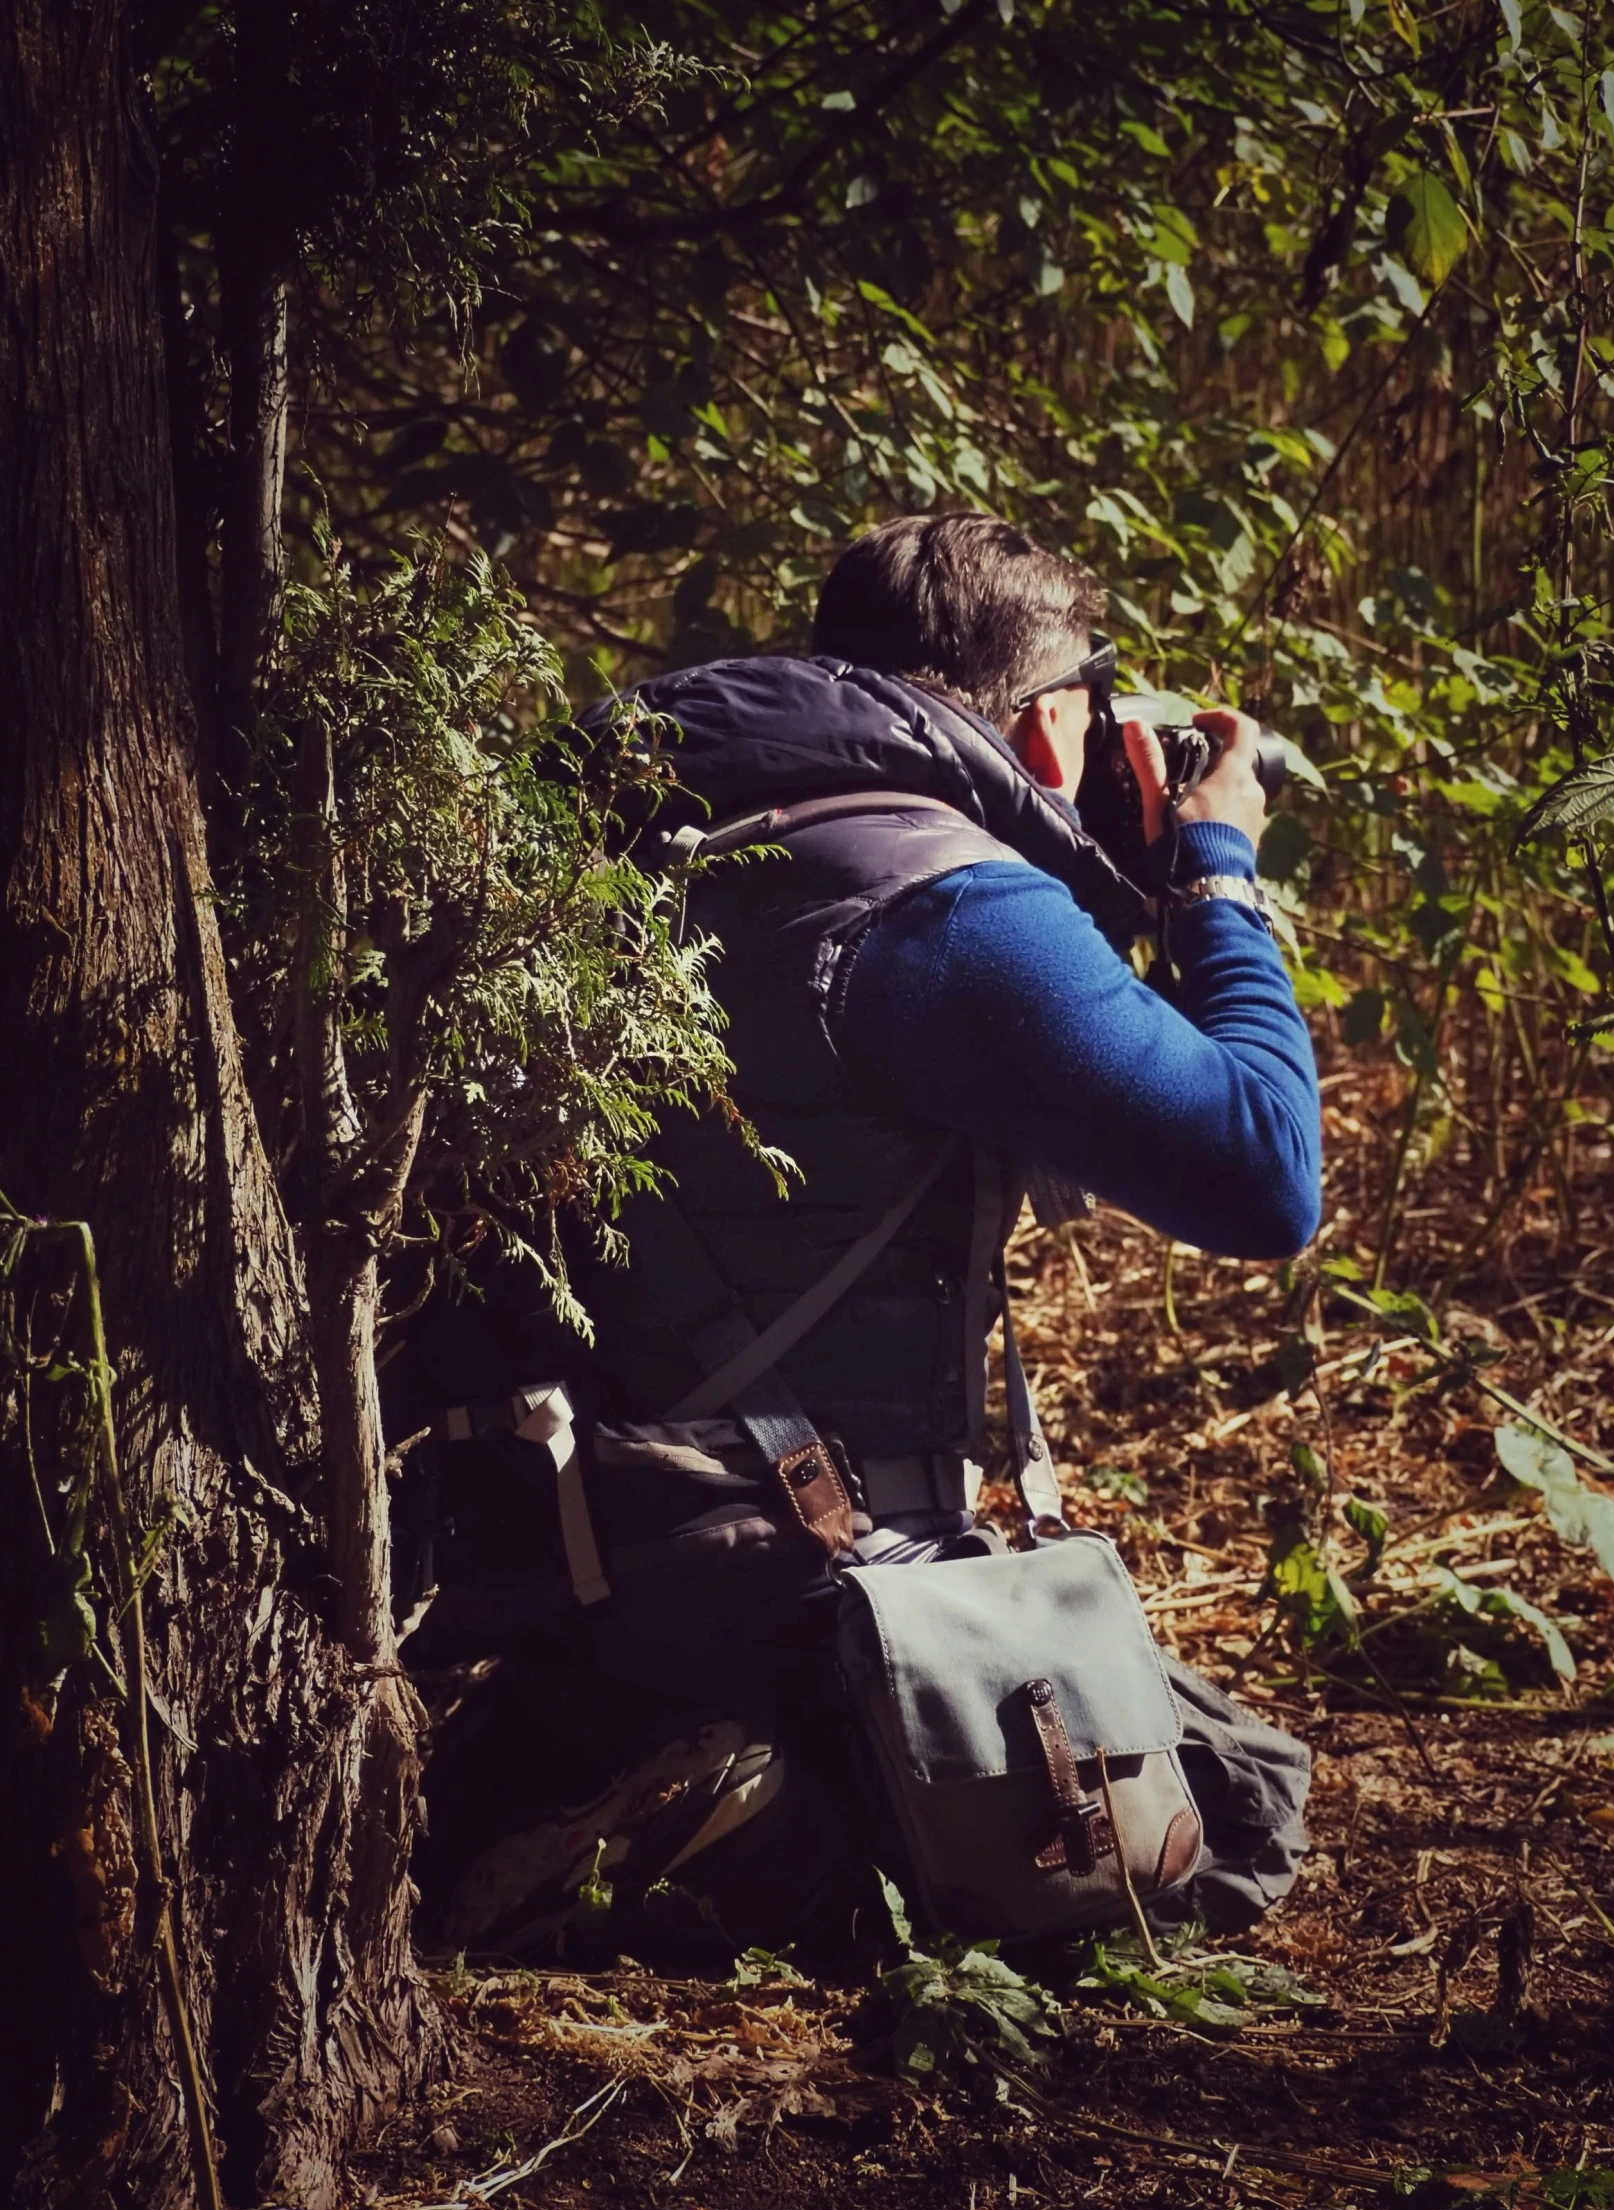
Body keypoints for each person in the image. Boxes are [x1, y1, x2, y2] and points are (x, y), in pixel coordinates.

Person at [407, 512, 1320, 1965]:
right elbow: (1262, 1176)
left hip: (545, 1525)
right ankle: (740, 1812)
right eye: (1097, 709)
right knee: (1225, 1812)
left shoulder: (648, 839)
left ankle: (590, 1757)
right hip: (770, 1545)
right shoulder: (945, 904)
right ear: (1044, 721)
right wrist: (1212, 869)